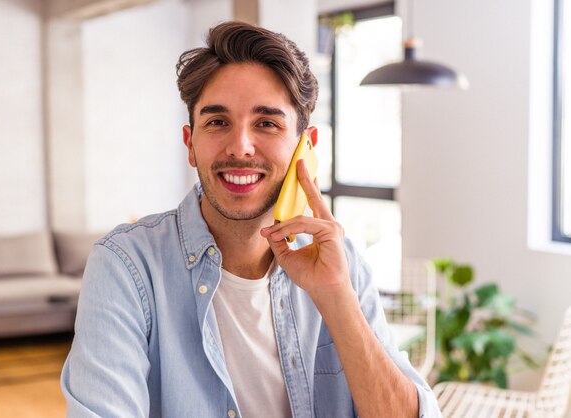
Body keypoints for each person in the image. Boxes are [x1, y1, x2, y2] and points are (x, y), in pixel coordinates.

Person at [61, 21, 441, 418]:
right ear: (191, 144)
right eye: (218, 122)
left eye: (267, 123)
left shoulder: (341, 264)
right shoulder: (126, 265)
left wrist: (337, 298)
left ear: (305, 147)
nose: (240, 147)